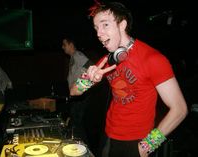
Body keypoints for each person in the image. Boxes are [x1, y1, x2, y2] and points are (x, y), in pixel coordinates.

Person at [70, 1, 188, 157]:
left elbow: (180, 109)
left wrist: (146, 146)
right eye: (96, 28)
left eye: (105, 25)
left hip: (137, 142)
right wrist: (89, 79)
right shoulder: (108, 59)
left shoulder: (153, 59)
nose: (99, 33)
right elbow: (74, 92)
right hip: (108, 136)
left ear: (122, 25)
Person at [61, 36, 92, 144]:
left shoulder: (78, 55)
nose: (62, 47)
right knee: (76, 124)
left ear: (71, 45)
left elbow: (91, 67)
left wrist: (80, 86)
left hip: (80, 97)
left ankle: (84, 150)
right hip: (77, 97)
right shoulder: (73, 58)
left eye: (64, 44)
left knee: (77, 125)